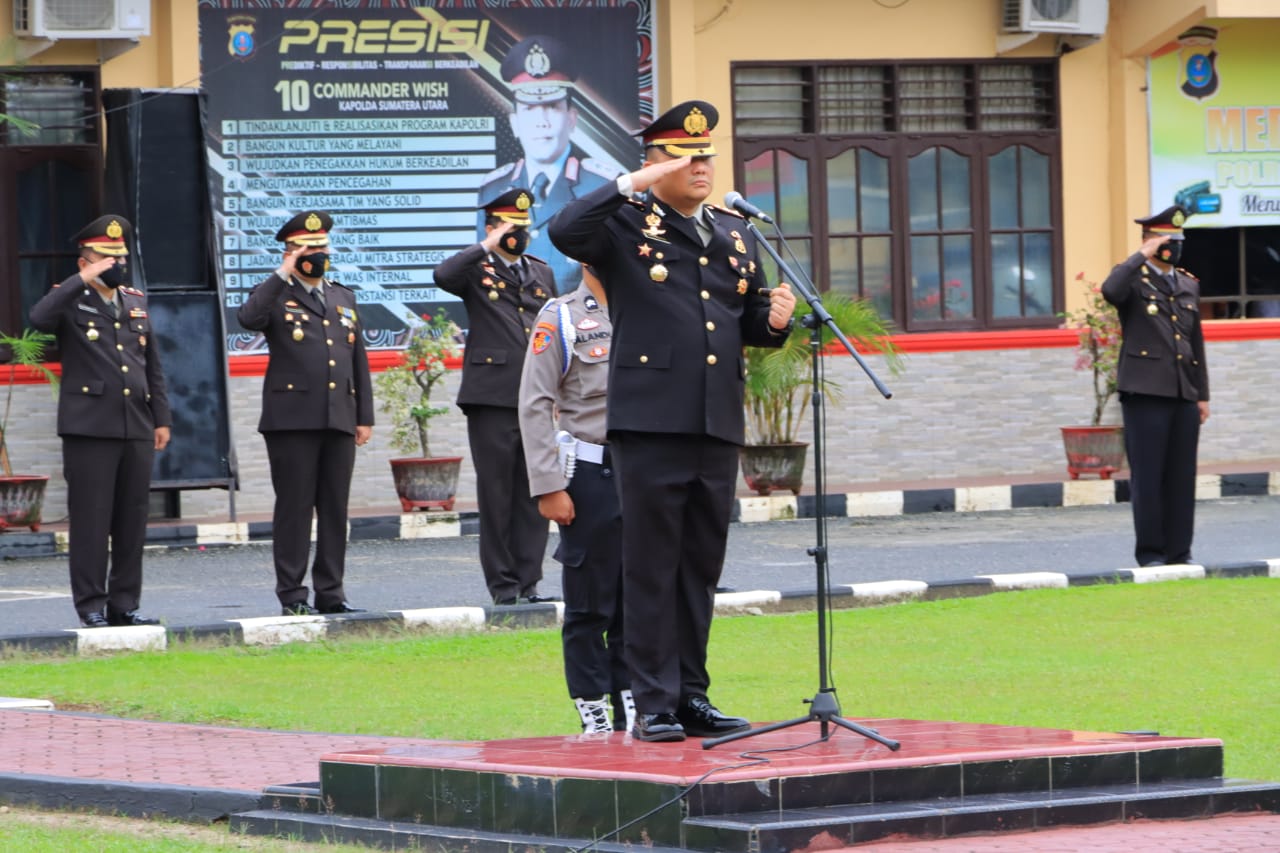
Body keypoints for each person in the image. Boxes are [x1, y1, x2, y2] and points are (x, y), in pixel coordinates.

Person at [549, 100, 797, 742]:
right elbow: (565, 231)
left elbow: (740, 327)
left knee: (698, 565)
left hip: (715, 419)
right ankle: (651, 699)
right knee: (651, 563)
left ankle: (691, 694)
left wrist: (772, 324)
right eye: (685, 157)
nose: (701, 166)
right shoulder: (625, 223)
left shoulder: (735, 233)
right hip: (651, 421)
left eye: (706, 156)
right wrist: (629, 184)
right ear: (654, 163)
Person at [29, 215, 171, 628]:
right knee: (91, 520)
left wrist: (161, 418)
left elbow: (153, 366)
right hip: (89, 428)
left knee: (132, 519)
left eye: (119, 256)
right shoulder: (70, 299)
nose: (115, 264)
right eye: (105, 257)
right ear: (85, 261)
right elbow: (38, 319)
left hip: (136, 425)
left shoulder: (135, 301)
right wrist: (81, 279)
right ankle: (91, 605)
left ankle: (125, 604)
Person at [237, 211, 373, 616]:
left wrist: (363, 415)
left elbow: (358, 360)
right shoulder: (276, 293)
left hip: (339, 418)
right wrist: (282, 273)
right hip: (292, 420)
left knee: (335, 509)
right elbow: (248, 319)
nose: (319, 255)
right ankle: (293, 596)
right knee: (295, 509)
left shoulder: (342, 297)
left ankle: (332, 593)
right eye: (309, 249)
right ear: (292, 252)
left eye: (323, 248)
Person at [518, 263, 632, 734]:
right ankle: (594, 712)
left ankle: (637, 705)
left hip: (645, 473)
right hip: (589, 471)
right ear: (591, 257)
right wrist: (548, 484)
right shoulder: (561, 317)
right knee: (590, 603)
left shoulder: (648, 308)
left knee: (640, 599)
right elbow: (534, 402)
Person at [434, 189, 555, 606]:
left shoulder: (540, 273)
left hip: (536, 398)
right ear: (491, 228)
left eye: (522, 227)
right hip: (492, 397)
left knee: (534, 491)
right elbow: (443, 276)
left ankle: (529, 580)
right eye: (508, 227)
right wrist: (485, 245)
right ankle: (503, 586)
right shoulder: (475, 268)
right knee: (497, 493)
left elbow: (550, 334)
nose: (517, 235)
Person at [1101, 205, 1210, 567]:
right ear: (1150, 242)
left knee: (1182, 477)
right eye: (1166, 241)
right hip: (1145, 392)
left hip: (1183, 393)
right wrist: (1139, 256)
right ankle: (1151, 554)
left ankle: (1180, 552)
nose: (1174, 248)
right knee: (1148, 477)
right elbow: (1109, 290)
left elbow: (1196, 345)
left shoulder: (1188, 283)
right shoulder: (1132, 281)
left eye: (1178, 241)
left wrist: (1202, 396)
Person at [477, 34, 620, 294]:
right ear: (514, 123)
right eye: (530, 109)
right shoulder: (492, 189)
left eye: (552, 107)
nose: (541, 121)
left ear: (572, 119)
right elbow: (485, 271)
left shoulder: (603, 185)